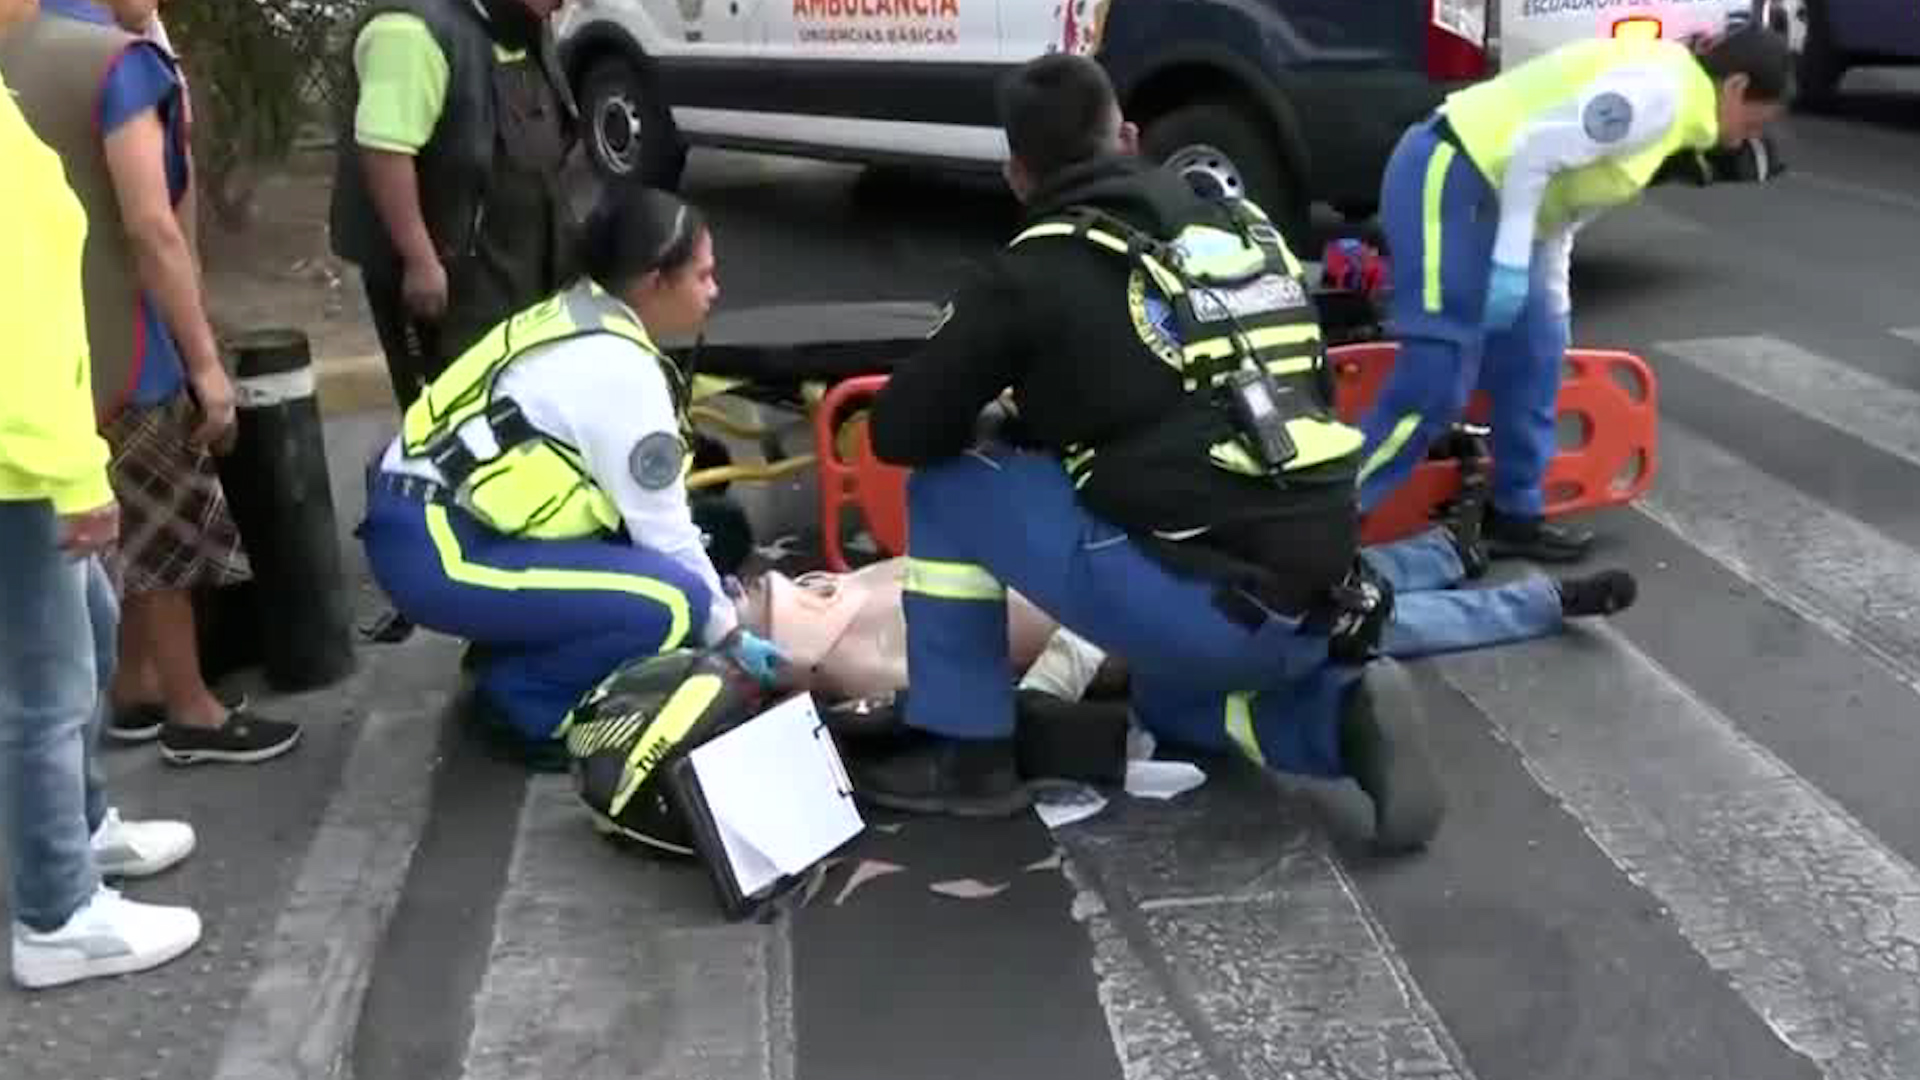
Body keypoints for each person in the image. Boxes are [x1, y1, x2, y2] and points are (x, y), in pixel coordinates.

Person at [862, 54, 1451, 852]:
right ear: (1130, 137)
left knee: (946, 487)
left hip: (1191, 601)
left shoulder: (1035, 268)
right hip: (1324, 588)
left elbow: (899, 431)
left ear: (1018, 175)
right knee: (1169, 708)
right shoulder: (1248, 231)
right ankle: (1342, 723)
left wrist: (1009, 415)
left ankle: (968, 752)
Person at [357, 187, 788, 751]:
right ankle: (521, 703)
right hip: (440, 551)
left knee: (714, 536)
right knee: (673, 603)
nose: (715, 290)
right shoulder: (620, 371)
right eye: (702, 276)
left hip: (434, 521)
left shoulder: (579, 309)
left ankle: (516, 642)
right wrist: (730, 636)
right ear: (655, 280)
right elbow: (665, 536)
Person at [1354, 28, 1791, 562]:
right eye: (1755, 122)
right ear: (1736, 86)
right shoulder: (1657, 97)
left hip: (1510, 202)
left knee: (1537, 353)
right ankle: (1329, 523)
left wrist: (1549, 299)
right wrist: (1512, 263)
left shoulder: (1676, 117)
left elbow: (1568, 200)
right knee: (1437, 376)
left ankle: (1515, 516)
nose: (1743, 138)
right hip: (1450, 171)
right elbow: (1533, 152)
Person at [1, 0, 302, 764]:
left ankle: (132, 688)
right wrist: (205, 362)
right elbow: (151, 227)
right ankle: (192, 711)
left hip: (38, 356)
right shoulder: (115, 64)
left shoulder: (16, 55)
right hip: (125, 343)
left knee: (92, 546)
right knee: (164, 531)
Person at [1, 0, 201, 990]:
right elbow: (19, 328)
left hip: (36, 450)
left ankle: (84, 834)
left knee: (75, 650)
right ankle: (55, 914)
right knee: (43, 694)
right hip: (22, 466)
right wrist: (76, 475)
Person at [328, 0, 581, 644]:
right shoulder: (411, 33)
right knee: (447, 415)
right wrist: (418, 260)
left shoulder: (521, 26)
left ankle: (517, 537)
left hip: (519, 257)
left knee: (520, 408)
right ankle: (430, 562)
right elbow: (385, 151)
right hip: (446, 269)